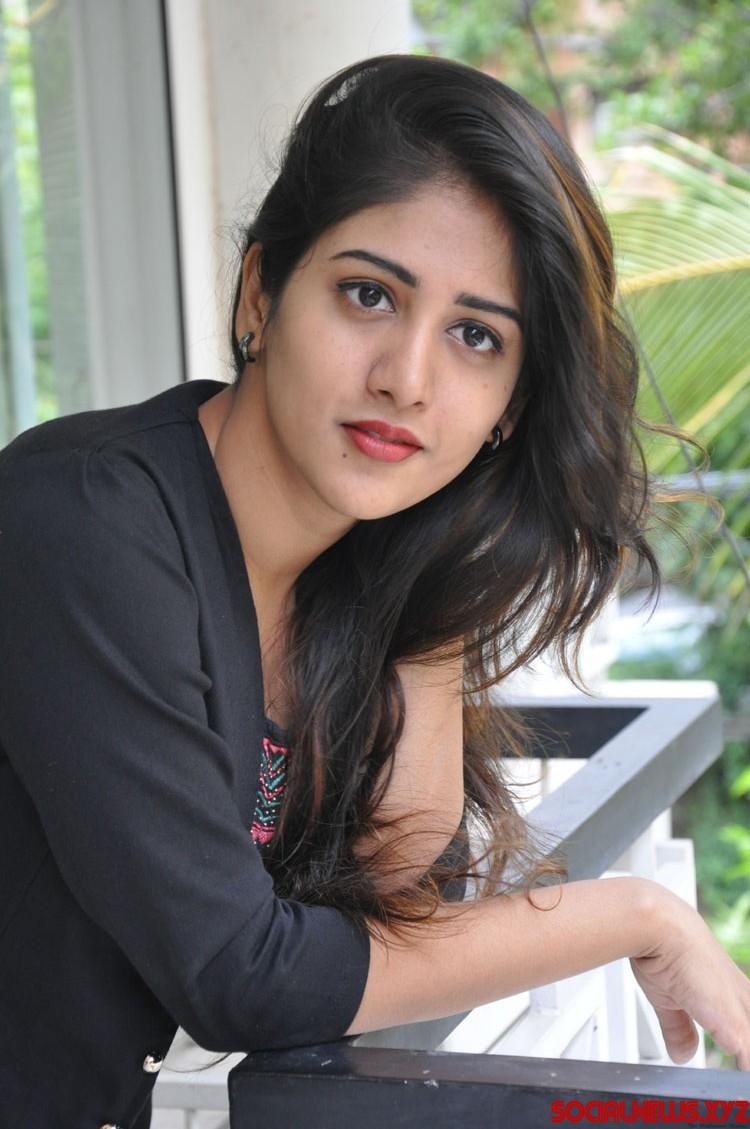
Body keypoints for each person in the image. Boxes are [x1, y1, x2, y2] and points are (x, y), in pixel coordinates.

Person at [0, 52, 748, 1129]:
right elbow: (240, 972)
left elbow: (394, 892)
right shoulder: (85, 523)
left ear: (510, 406)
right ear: (261, 293)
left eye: (476, 336)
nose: (407, 377)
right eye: (369, 294)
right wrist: (637, 914)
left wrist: (435, 586)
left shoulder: (350, 567)